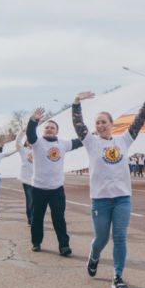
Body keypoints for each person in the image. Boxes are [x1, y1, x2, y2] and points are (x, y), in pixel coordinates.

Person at [72, 87, 145, 288]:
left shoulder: (123, 140)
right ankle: (94, 256)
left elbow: (138, 123)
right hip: (100, 200)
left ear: (111, 125)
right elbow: (78, 125)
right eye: (98, 123)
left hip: (122, 199)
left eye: (104, 122)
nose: (101, 125)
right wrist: (76, 102)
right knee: (101, 239)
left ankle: (117, 276)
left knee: (119, 237)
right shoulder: (91, 142)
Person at [26, 108, 82, 256]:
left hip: (56, 189)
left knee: (59, 218)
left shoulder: (62, 143)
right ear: (43, 130)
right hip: (38, 188)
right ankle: (36, 242)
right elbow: (30, 134)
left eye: (52, 128)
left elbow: (78, 142)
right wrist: (33, 120)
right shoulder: (37, 142)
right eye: (47, 127)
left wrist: (90, 136)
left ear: (57, 131)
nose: (49, 129)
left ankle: (64, 246)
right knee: (37, 218)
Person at [15, 129, 34, 226]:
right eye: (29, 140)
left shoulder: (38, 150)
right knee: (30, 199)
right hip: (26, 179)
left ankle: (35, 217)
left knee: (37, 200)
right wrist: (21, 133)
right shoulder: (24, 150)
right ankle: (30, 219)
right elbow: (18, 143)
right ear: (26, 142)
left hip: (37, 180)